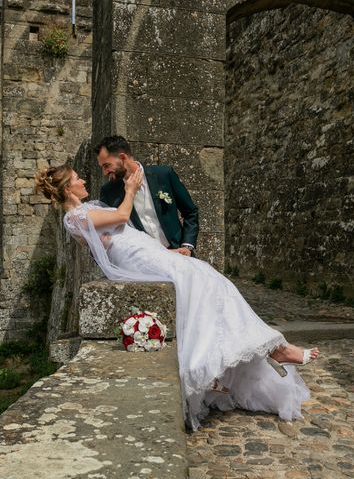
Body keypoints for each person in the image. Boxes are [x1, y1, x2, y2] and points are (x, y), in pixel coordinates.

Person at [35, 165, 319, 430]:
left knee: (211, 282)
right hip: (136, 257)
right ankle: (269, 350)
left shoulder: (88, 209)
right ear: (68, 188)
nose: (83, 180)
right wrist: (131, 189)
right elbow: (121, 219)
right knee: (206, 281)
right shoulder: (75, 217)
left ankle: (264, 350)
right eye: (77, 178)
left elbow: (117, 235)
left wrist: (164, 253)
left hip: (145, 252)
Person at [96, 135, 198, 256]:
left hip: (180, 256)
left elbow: (190, 212)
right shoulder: (109, 192)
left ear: (123, 157)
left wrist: (187, 246)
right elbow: (108, 233)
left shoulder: (163, 175)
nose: (105, 172)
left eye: (107, 165)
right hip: (144, 264)